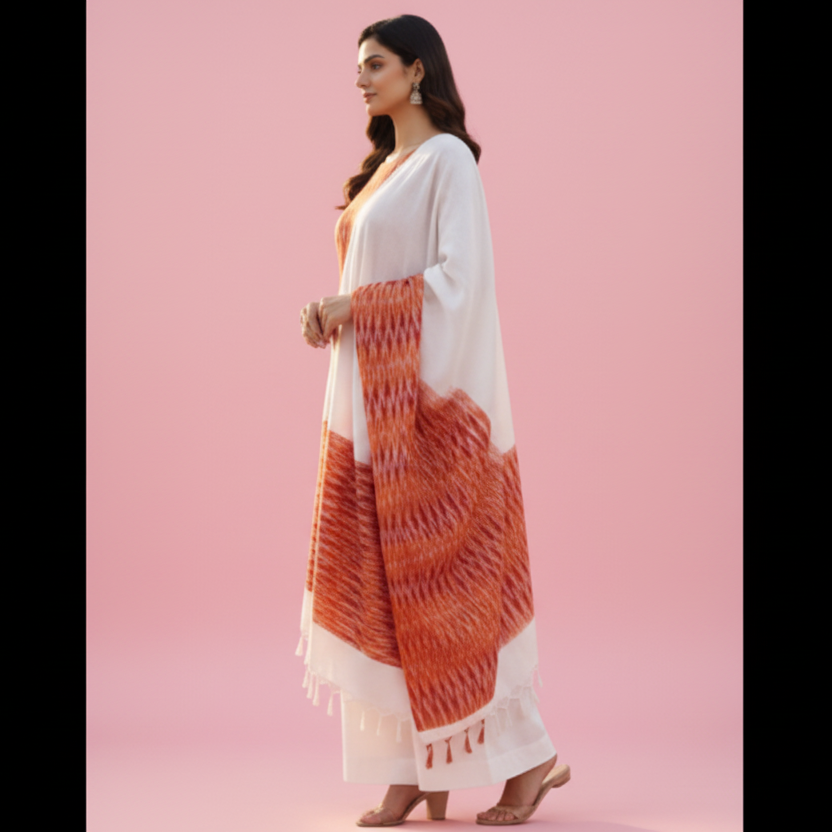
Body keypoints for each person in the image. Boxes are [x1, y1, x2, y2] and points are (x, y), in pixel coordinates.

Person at [296, 15, 570, 827]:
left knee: (449, 591)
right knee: (388, 592)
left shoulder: (447, 161)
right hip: (371, 415)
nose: (361, 78)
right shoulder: (387, 170)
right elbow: (372, 272)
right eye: (358, 66)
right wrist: (331, 312)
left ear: (418, 72)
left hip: (429, 419)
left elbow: (462, 286)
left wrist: (359, 307)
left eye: (374, 65)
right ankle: (416, 770)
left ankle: (531, 763)